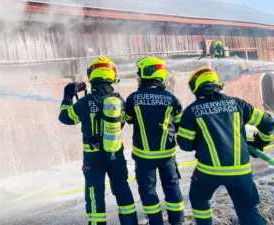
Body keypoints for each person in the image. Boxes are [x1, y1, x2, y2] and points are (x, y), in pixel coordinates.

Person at [177, 66, 274, 225]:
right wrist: (259, 142)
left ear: (196, 88)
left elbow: (185, 145)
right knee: (248, 210)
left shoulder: (191, 111)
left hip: (208, 172)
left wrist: (201, 141)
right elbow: (268, 123)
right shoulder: (238, 105)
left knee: (198, 198)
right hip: (240, 172)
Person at [58, 56, 138, 225]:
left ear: (92, 77)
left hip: (93, 159)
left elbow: (65, 117)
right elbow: (122, 122)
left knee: (95, 198)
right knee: (123, 191)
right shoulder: (118, 101)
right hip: (116, 154)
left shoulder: (85, 103)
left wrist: (67, 96)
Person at [125, 57, 184, 225]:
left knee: (147, 190)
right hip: (167, 156)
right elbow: (180, 125)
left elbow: (128, 119)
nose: (137, 77)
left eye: (139, 74)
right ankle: (177, 221)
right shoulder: (172, 99)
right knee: (172, 188)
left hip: (143, 157)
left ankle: (156, 222)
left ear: (146, 74)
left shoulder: (133, 98)